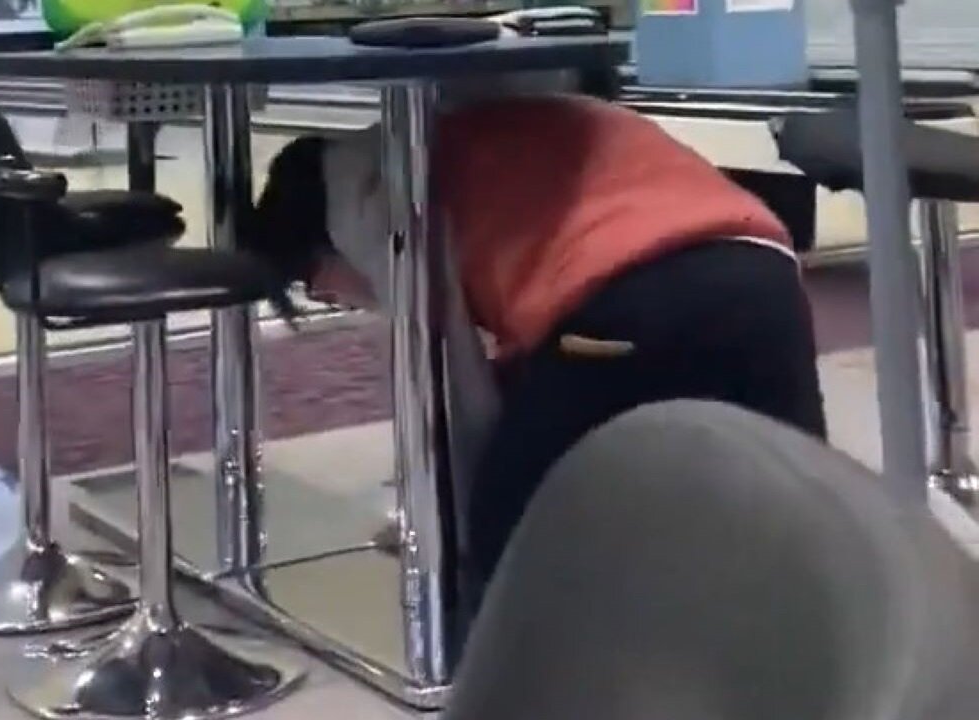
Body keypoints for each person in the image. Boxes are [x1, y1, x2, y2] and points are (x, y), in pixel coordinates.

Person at [245, 87, 827, 596]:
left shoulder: (380, 205)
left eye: (313, 287)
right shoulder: (450, 133)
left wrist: (443, 523)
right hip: (765, 279)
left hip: (633, 294)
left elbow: (452, 393)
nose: (336, 300)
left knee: (507, 532)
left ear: (321, 241)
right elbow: (525, 354)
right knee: (808, 519)